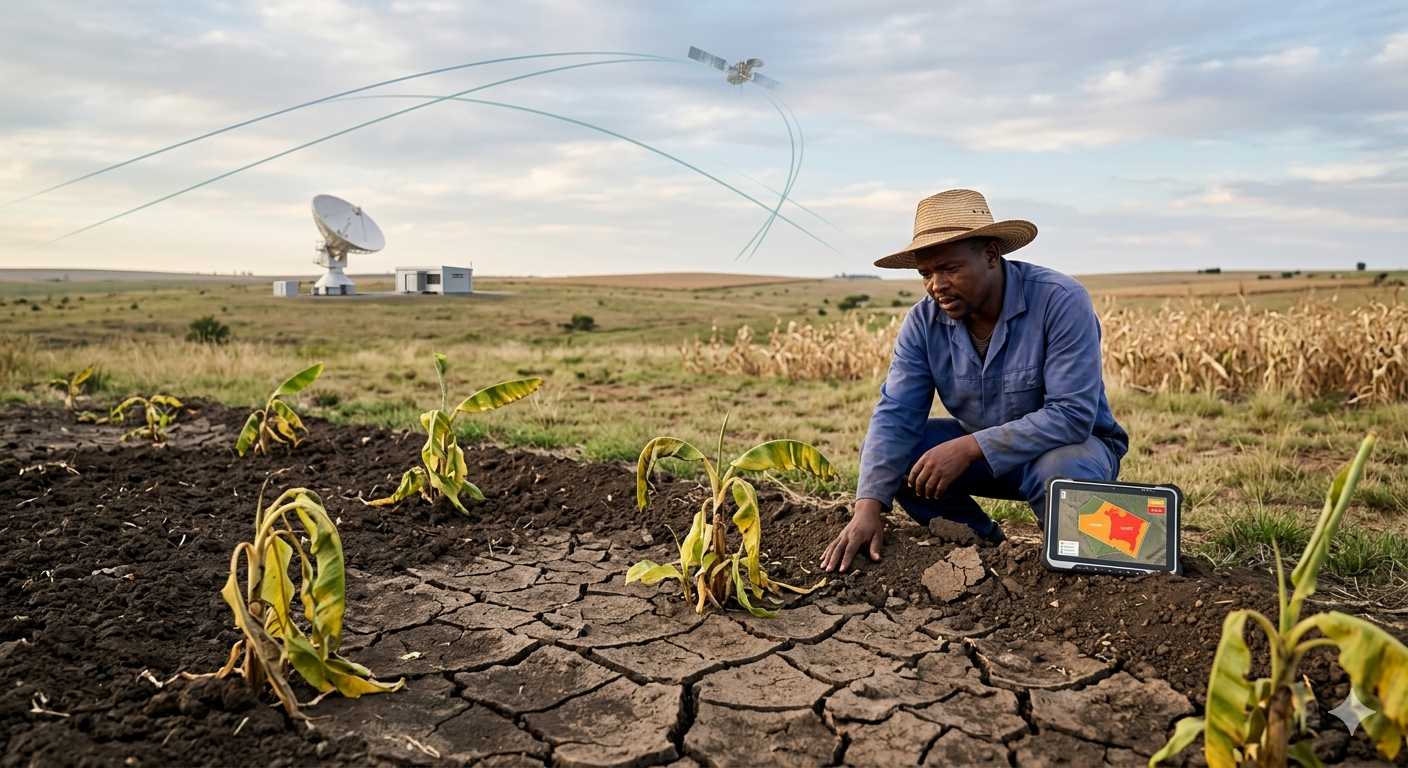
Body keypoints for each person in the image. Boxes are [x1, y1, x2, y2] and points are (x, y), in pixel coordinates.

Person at [821, 189, 1128, 573]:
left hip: (1071, 450)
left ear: (991, 255)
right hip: (984, 456)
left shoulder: (1060, 300)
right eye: (926, 274)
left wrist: (969, 447)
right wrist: (867, 509)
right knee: (894, 454)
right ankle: (985, 546)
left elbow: (1072, 416)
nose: (936, 285)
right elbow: (895, 415)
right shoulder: (922, 322)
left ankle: (1083, 566)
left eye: (949, 268)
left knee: (1062, 476)